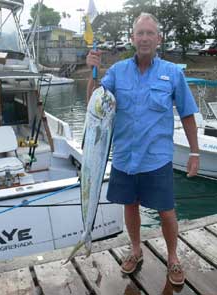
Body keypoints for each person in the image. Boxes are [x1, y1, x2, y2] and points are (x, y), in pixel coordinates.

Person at [86, 12, 199, 285]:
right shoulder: (117, 72)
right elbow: (94, 102)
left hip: (157, 159)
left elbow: (187, 113)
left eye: (150, 33)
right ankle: (135, 250)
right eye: (140, 33)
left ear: (159, 39)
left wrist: (194, 152)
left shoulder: (172, 73)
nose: (145, 38)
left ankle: (173, 258)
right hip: (124, 156)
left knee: (166, 211)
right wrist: (92, 71)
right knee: (130, 206)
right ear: (132, 38)